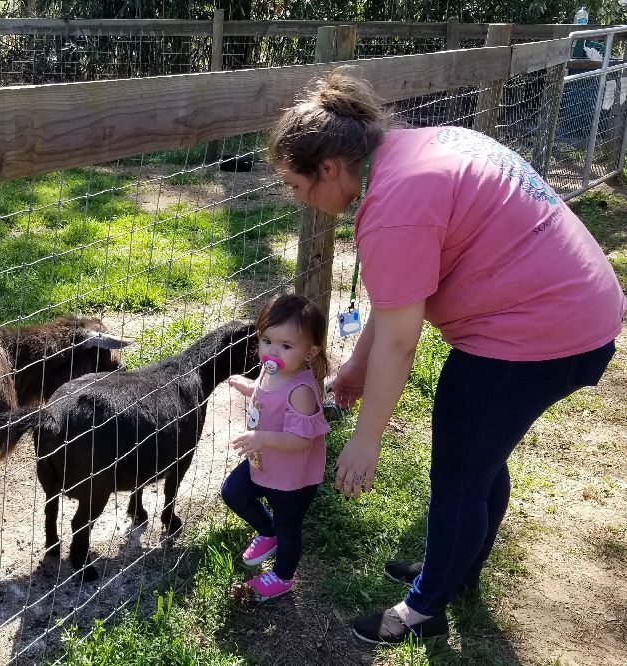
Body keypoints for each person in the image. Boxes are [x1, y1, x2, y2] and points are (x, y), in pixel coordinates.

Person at [268, 67, 626, 642]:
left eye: (296, 184)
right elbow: (397, 302)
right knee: (480, 456)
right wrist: (357, 365)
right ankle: (456, 568)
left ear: (329, 168)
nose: (298, 197)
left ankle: (424, 610)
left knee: (461, 471)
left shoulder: (393, 206)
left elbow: (402, 339)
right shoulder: (414, 150)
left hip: (535, 335)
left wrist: (365, 440)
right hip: (577, 312)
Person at [222, 293, 331, 600]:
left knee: (288, 526)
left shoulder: (300, 391)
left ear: (310, 352)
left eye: (286, 346)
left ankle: (283, 577)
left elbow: (302, 439)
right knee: (234, 491)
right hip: (264, 460)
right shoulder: (272, 370)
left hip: (292, 478)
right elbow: (264, 394)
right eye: (267, 340)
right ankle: (266, 531)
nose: (273, 351)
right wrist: (248, 387)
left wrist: (263, 438)